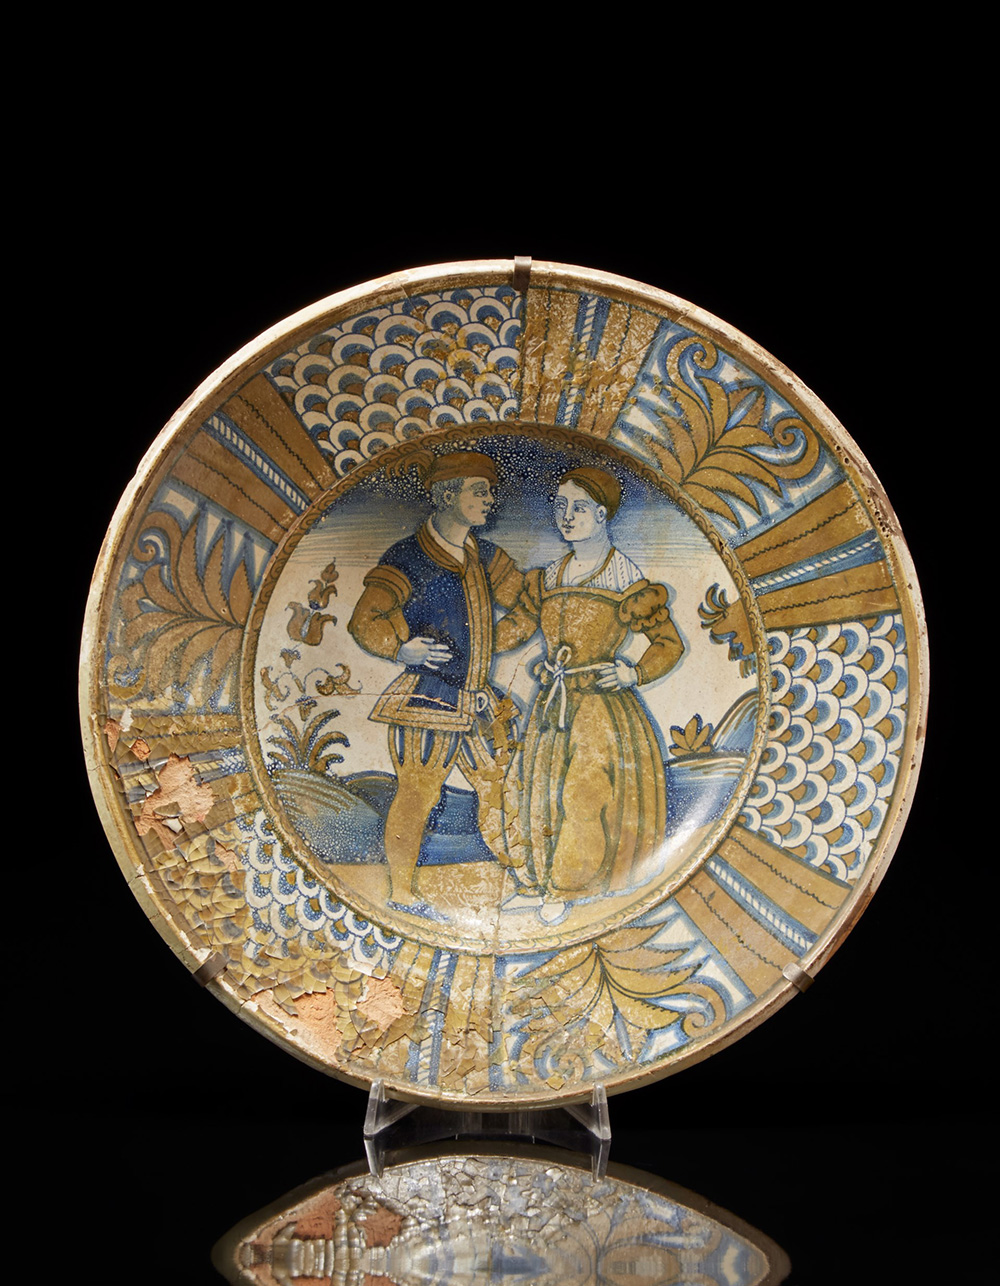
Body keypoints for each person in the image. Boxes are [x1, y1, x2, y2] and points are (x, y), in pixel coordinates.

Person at [494, 466, 684, 899]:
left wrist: (634, 672)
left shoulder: (625, 577)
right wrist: (475, 645)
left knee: (584, 792)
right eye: (560, 506)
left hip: (601, 706)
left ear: (601, 514)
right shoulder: (549, 576)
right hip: (553, 705)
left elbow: (668, 643)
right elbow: (519, 626)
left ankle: (570, 886)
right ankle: (546, 877)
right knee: (545, 791)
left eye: (579, 508)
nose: (567, 516)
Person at [347, 450, 523, 906]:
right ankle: (402, 891)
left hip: (477, 697)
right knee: (418, 794)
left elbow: (526, 603)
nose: (490, 500)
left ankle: (522, 877)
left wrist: (494, 642)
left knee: (500, 784)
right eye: (479, 491)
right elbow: (365, 620)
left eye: (490, 491)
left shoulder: (487, 555)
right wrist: (400, 648)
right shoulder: (408, 557)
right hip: (427, 697)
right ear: (447, 495)